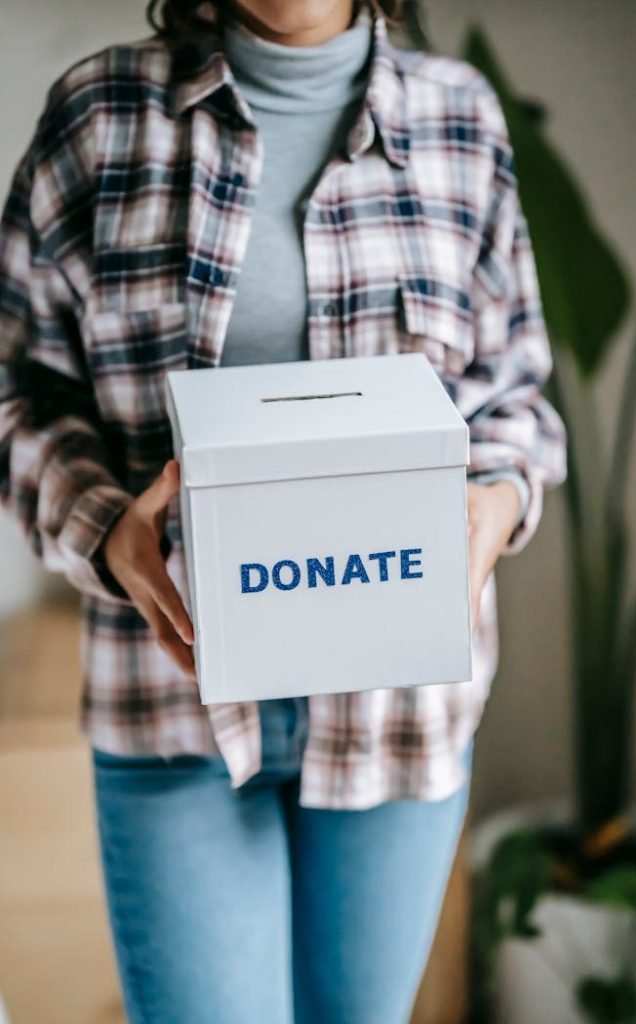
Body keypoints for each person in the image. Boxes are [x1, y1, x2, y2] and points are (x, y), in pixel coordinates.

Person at [0, 0, 566, 1021]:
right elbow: (19, 390)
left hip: (397, 715)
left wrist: (491, 504)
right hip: (172, 705)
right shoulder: (99, 116)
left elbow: (514, 396)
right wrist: (103, 524)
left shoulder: (459, 118)